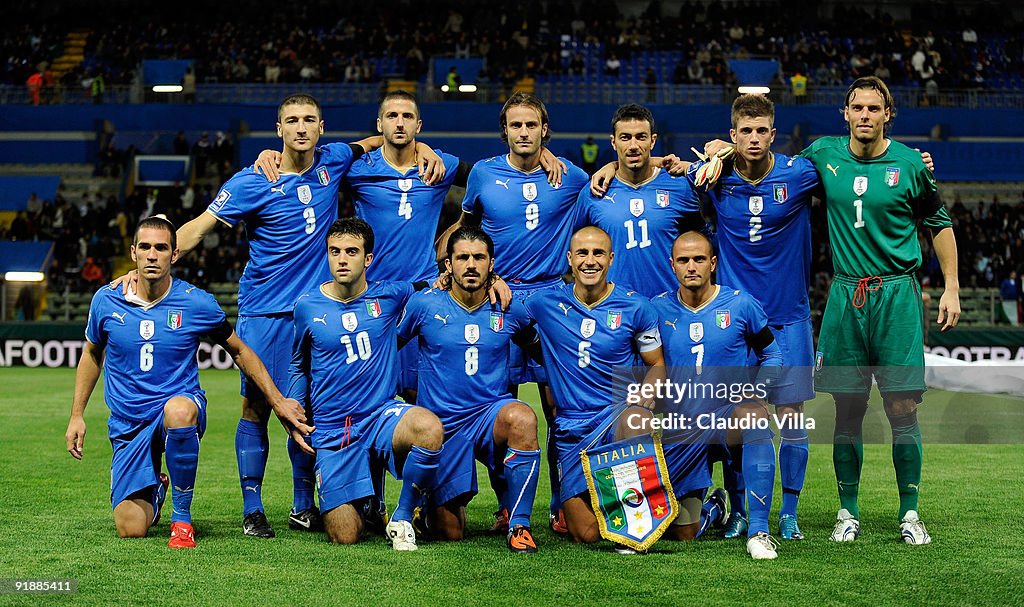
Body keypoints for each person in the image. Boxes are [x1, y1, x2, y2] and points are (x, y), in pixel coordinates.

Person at [114, 93, 444, 539]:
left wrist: (423, 149)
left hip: (315, 313)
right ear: (279, 129)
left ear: (321, 127)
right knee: (256, 408)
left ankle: (303, 504)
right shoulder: (253, 179)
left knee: (307, 410)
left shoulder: (332, 162)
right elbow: (199, 226)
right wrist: (142, 264)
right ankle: (253, 509)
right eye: (292, 121)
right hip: (264, 312)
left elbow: (374, 143)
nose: (302, 128)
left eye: (310, 120)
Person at [65, 216, 309, 549]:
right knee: (131, 528)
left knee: (178, 410)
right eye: (146, 247)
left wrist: (278, 401)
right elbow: (92, 354)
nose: (153, 255)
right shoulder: (106, 301)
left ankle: (182, 519)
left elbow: (239, 350)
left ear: (174, 254)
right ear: (133, 252)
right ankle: (157, 487)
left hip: (180, 408)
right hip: (129, 424)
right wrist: (77, 415)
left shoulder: (197, 303)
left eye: (161, 248)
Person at [801, 76, 960, 545]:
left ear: (888, 114)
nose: (865, 115)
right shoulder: (822, 154)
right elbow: (764, 164)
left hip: (897, 296)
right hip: (847, 295)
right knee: (847, 409)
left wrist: (951, 286)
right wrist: (718, 146)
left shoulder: (911, 162)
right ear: (845, 113)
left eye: (875, 108)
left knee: (902, 406)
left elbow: (940, 223)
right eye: (858, 107)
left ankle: (909, 512)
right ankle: (846, 511)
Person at [436, 92, 590, 536]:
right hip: (496, 300)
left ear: (545, 130)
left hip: (549, 303)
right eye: (515, 126)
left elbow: (617, 172)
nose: (523, 133)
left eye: (532, 126)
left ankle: (564, 504)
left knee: (560, 409)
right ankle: (508, 505)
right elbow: (464, 231)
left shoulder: (572, 175)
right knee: (497, 406)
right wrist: (460, 274)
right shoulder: (484, 173)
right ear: (505, 130)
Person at [690, 94, 820, 540]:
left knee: (792, 416)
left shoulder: (800, 174)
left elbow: (853, 169)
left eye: (761, 130)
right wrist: (706, 156)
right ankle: (742, 509)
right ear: (732, 135)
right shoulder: (715, 176)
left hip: (790, 317)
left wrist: (914, 160)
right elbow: (667, 172)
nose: (754, 138)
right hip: (737, 325)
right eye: (745, 131)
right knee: (735, 417)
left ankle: (788, 512)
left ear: (773, 133)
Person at [288, 218, 444, 550]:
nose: (342, 259)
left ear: (368, 259)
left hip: (381, 415)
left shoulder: (390, 295)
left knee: (429, 428)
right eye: (335, 251)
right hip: (335, 429)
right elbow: (298, 364)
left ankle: (401, 517)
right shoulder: (306, 306)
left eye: (351, 252)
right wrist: (293, 409)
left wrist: (496, 280)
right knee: (345, 536)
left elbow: (437, 283)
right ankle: (367, 499)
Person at [398, 226, 541, 553]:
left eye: (479, 257)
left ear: (492, 264)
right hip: (442, 426)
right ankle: (428, 506)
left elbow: (542, 351)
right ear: (449, 265)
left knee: (522, 417)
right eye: (463, 257)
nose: (471, 264)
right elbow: (388, 345)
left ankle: (518, 524)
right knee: (451, 532)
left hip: (489, 416)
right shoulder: (423, 305)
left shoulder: (509, 307)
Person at [522, 226, 664, 549]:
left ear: (611, 258)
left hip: (615, 417)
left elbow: (656, 365)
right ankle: (622, 506)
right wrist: (493, 283)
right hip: (571, 429)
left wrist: (647, 394)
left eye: (598, 253)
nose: (590, 261)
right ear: (570, 259)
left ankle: (634, 523)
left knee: (636, 418)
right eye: (582, 254)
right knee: (584, 534)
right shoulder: (544, 303)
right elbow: (505, 311)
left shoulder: (636, 308)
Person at [651, 231, 783, 560]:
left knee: (752, 416)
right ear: (672, 265)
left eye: (699, 259)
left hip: (726, 418)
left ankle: (759, 532)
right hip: (681, 430)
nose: (691, 266)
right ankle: (715, 507)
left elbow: (774, 355)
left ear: (713, 263)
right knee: (681, 534)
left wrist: (757, 391)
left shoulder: (740, 304)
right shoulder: (655, 310)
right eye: (683, 260)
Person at [577, 104, 703, 298]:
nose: (633, 145)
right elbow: (576, 246)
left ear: (652, 141)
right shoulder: (595, 190)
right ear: (613, 142)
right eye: (625, 137)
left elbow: (701, 242)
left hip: (669, 308)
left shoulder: (680, 187)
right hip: (614, 310)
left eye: (641, 137)